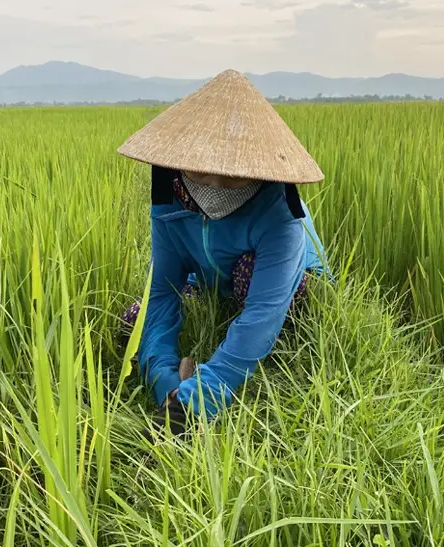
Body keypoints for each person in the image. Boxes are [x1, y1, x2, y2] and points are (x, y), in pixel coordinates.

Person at [117, 69, 328, 440]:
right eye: (203, 170)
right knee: (134, 319)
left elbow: (263, 312)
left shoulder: (281, 215)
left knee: (251, 280)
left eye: (233, 175)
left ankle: (279, 343)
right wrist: (166, 382)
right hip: (215, 282)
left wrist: (195, 401)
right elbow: (163, 290)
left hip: (283, 290)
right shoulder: (169, 193)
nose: (214, 184)